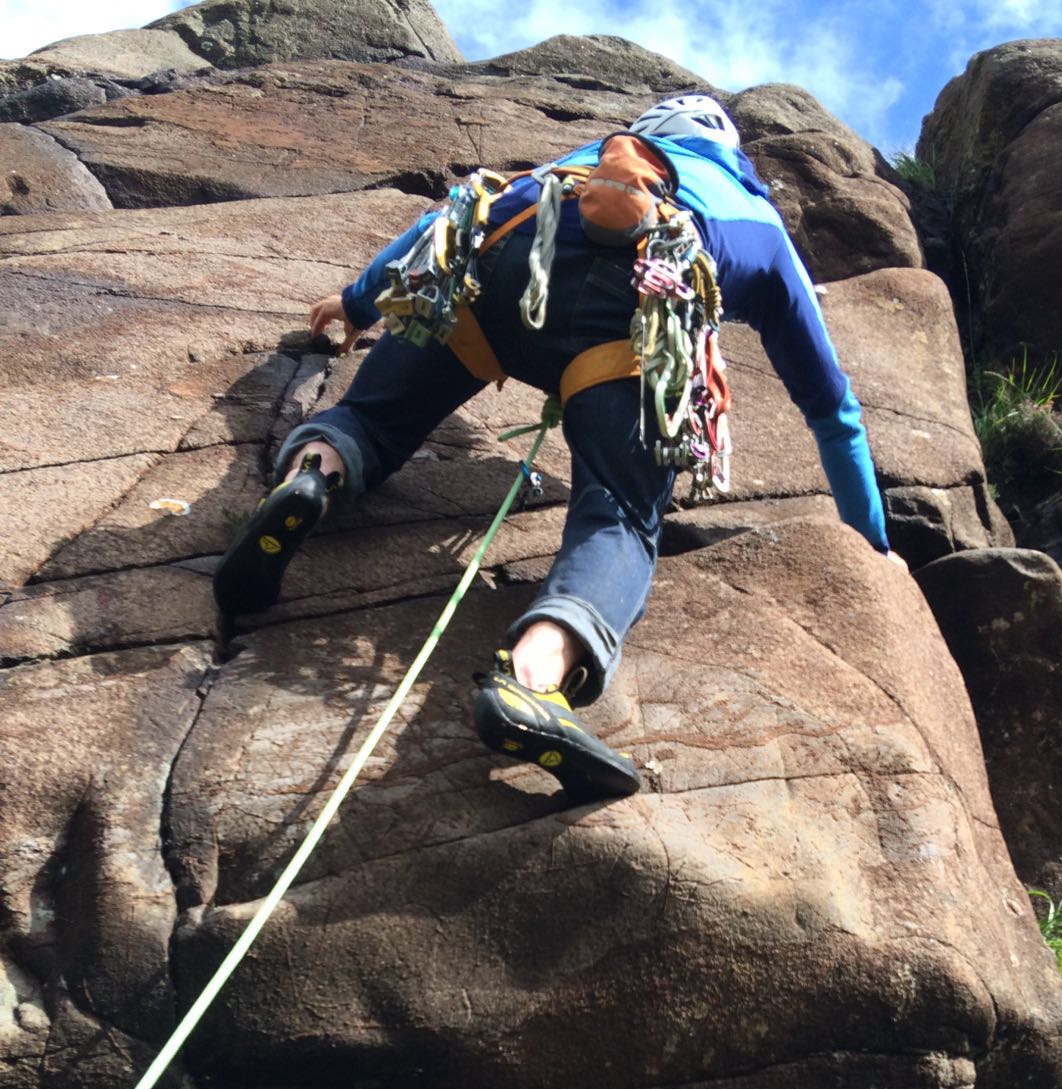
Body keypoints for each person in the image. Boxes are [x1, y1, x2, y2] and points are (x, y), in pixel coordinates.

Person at [213, 94, 899, 801]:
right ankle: (532, 681)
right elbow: (832, 409)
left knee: (370, 419)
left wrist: (356, 303)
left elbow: (455, 213)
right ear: (735, 156)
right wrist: (870, 544)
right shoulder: (755, 219)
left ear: (645, 135)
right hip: (630, 322)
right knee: (619, 517)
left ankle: (308, 481)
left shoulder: (582, 164)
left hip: (501, 268)